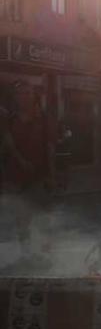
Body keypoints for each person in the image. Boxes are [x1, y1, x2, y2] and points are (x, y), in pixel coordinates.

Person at [3, 82, 57, 266]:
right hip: (17, 178)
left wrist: (52, 174)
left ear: (33, 96)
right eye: (19, 93)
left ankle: (46, 254)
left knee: (44, 218)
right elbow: (8, 146)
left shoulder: (43, 119)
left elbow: (50, 148)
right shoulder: (10, 120)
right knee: (22, 218)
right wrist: (20, 161)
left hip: (40, 176)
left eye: (27, 93)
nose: (23, 97)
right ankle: (26, 254)